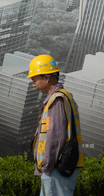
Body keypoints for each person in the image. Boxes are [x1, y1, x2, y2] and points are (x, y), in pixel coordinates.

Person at [27, 54, 83, 196]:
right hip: (58, 167)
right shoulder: (63, 96)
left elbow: (56, 136)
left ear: (46, 78)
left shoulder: (57, 100)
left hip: (56, 168)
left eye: (35, 79)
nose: (33, 84)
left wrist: (47, 165)